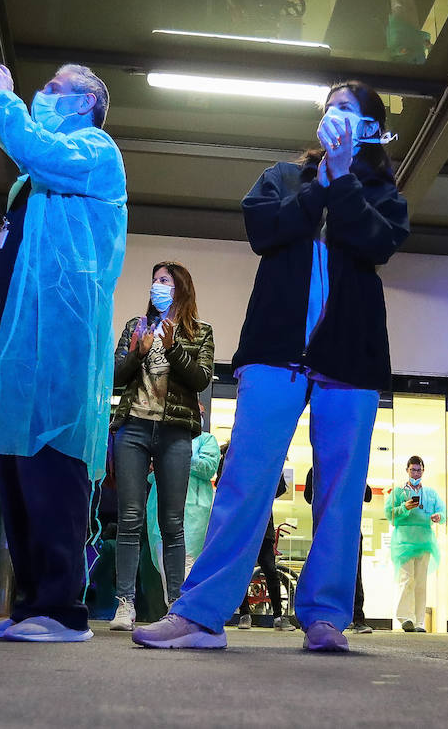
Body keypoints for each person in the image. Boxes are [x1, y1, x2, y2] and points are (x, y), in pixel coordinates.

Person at [134, 79, 408, 653]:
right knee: (244, 478)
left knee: (340, 488)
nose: (335, 117)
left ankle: (327, 616)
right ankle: (202, 613)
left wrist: (346, 183)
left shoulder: (384, 192)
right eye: (330, 108)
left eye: (349, 111)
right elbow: (264, 230)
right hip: (274, 350)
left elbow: (374, 243)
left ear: (371, 129)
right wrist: (322, 183)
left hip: (350, 360)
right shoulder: (283, 178)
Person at [0, 53, 127, 643]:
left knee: (54, 464)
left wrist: (3, 98)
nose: (42, 92)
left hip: (63, 334)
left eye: (54, 87)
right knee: (15, 469)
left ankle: (64, 611)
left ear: (85, 103)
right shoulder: (27, 184)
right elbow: (12, 255)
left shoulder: (93, 151)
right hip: (19, 335)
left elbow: (33, 145)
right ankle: (30, 602)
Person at [108, 262, 215, 632]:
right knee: (130, 519)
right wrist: (138, 352)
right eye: (154, 280)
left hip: (174, 433)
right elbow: (116, 376)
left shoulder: (200, 332)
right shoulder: (135, 327)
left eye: (164, 280)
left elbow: (200, 379)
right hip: (133, 428)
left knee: (172, 522)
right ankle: (124, 603)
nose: (157, 286)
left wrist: (171, 349)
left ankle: (176, 605)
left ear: (180, 288)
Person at [141, 430, 220, 596]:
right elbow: (151, 473)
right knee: (164, 566)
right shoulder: (162, 438)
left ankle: (185, 614)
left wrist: (178, 455)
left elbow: (208, 468)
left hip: (193, 514)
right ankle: (173, 612)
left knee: (187, 564)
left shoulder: (206, 440)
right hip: (160, 509)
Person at [304, 465, 373, 633]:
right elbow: (308, 496)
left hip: (347, 528)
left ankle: (356, 617)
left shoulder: (351, 466)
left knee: (353, 573)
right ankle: (330, 615)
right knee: (332, 572)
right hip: (330, 528)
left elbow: (368, 495)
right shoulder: (317, 469)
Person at [385, 456, 445, 632]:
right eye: (413, 470)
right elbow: (390, 515)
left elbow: (442, 512)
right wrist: (405, 507)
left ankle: (419, 622)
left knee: (420, 583)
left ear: (423, 471)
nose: (416, 473)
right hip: (404, 543)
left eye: (419, 470)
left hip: (424, 542)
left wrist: (438, 516)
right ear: (407, 470)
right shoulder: (398, 493)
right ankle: (405, 618)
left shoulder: (431, 494)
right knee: (406, 580)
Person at [236, 471, 294, 631]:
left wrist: (278, 467)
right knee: (243, 571)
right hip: (244, 525)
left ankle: (277, 616)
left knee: (270, 570)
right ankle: (244, 613)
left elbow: (280, 489)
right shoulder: (234, 455)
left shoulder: (268, 459)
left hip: (263, 526)